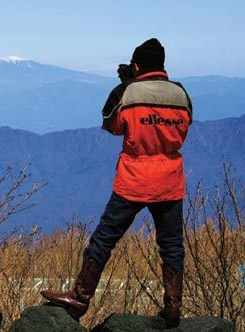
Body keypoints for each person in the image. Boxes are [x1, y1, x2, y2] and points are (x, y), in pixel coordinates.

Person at [40, 38, 193, 329]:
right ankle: (173, 307)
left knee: (104, 239)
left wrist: (125, 86)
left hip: (134, 179)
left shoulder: (129, 92)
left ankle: (80, 298)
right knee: (171, 246)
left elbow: (112, 125)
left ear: (136, 65)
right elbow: (186, 125)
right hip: (170, 180)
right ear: (162, 65)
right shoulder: (181, 94)